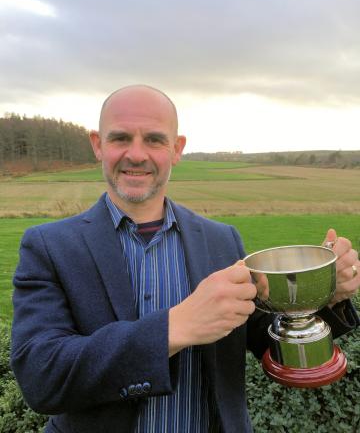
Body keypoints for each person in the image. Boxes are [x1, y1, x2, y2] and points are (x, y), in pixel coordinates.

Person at [11, 85, 360, 433]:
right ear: (97, 145)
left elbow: (266, 338)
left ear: (176, 149)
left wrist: (323, 295)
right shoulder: (49, 246)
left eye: (154, 140)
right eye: (120, 138)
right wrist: (174, 328)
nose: (136, 154)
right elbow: (41, 377)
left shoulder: (221, 240)